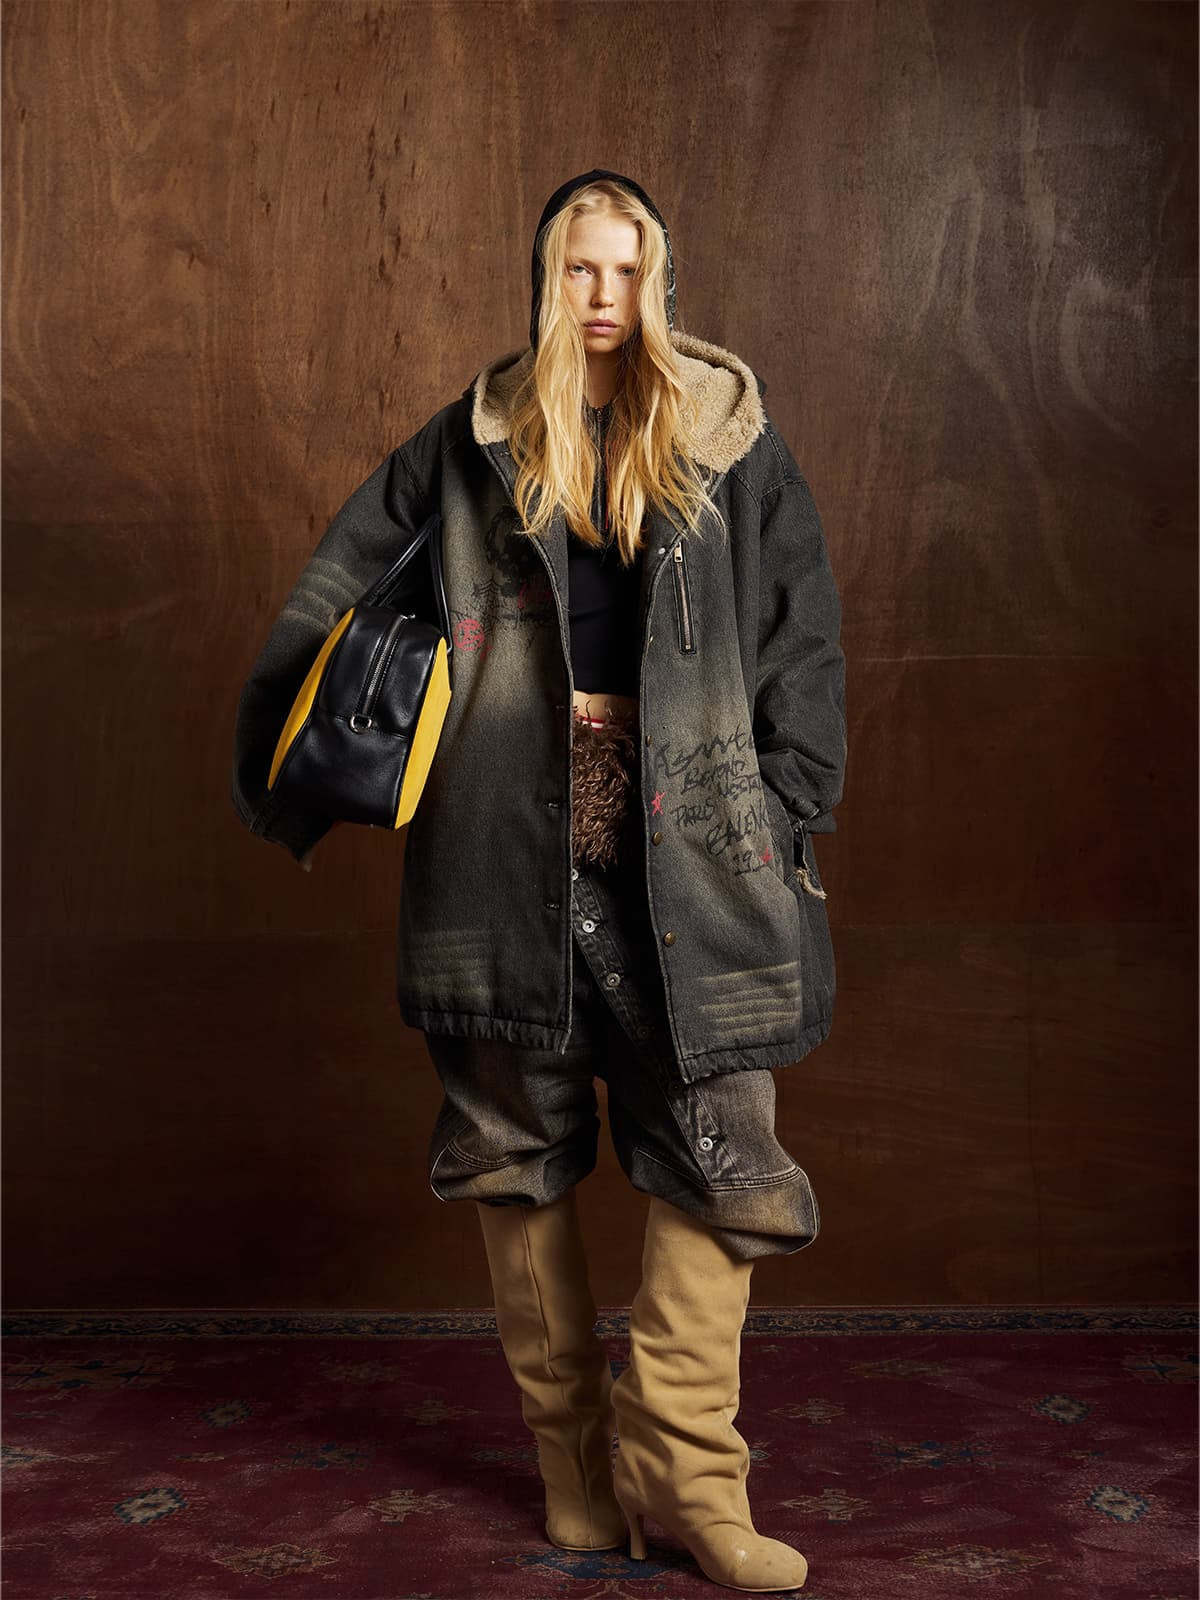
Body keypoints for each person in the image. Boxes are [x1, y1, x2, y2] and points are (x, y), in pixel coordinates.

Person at [231, 168, 846, 1593]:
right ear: (545, 279)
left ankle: (685, 1474)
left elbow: (802, 627)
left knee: (727, 1149)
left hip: (696, 846)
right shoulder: (472, 440)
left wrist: (786, 801)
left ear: (662, 279)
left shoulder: (731, 436)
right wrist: (298, 762)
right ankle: (575, 1474)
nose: (606, 295)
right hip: (500, 848)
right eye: (582, 268)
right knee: (515, 1147)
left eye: (630, 269)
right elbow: (339, 592)